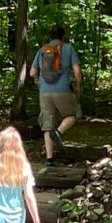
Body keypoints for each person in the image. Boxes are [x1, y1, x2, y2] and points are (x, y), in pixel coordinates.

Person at [33, 25, 82, 161]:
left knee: (47, 125)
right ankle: (58, 132)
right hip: (62, 90)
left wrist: (38, 82)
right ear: (63, 36)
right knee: (72, 115)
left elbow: (32, 72)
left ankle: (49, 159)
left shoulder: (42, 50)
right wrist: (77, 86)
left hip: (44, 91)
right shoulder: (68, 48)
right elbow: (77, 71)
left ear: (50, 37)